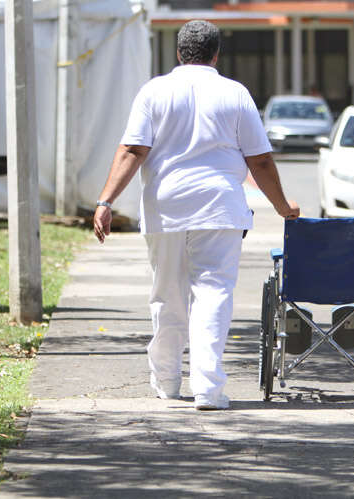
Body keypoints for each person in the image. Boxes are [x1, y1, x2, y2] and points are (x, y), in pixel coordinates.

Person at [93, 20, 299, 411]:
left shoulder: (154, 91)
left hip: (165, 204)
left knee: (166, 293)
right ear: (216, 54)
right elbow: (260, 160)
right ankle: (208, 388)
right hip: (220, 206)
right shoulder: (235, 93)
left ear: (178, 53)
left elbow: (132, 151)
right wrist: (282, 207)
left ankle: (167, 382)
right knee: (213, 293)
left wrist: (105, 202)